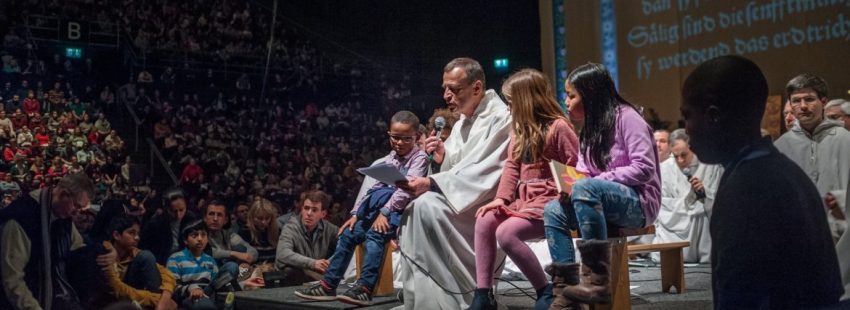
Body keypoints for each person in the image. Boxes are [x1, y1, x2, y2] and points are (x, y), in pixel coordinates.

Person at [681, 55, 842, 308]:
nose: (687, 129)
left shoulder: (747, 187)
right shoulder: (781, 169)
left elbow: (741, 296)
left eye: (688, 116)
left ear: (713, 116)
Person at [394, 57, 512, 309]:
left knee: (425, 206)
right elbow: (457, 167)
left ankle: (455, 299)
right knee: (415, 208)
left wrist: (431, 182)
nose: (447, 95)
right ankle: (424, 300)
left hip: (483, 206)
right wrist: (443, 157)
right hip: (459, 199)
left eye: (454, 89)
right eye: (445, 88)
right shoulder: (461, 123)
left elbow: (486, 172)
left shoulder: (502, 119)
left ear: (477, 88)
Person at [543, 63, 660, 306]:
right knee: (552, 210)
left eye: (571, 95)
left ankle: (597, 280)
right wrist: (568, 188)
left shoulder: (628, 118)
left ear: (590, 95)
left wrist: (592, 183)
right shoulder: (590, 128)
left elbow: (644, 168)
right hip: (598, 201)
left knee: (587, 188)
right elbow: (584, 172)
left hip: (638, 203)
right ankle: (565, 292)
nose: (566, 100)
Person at [468, 69, 579, 310]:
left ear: (526, 101)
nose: (508, 108)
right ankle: (483, 294)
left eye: (511, 102)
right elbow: (511, 167)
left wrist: (567, 194)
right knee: (485, 218)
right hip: (524, 202)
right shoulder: (518, 130)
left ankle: (544, 290)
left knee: (507, 233)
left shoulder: (559, 127)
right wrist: (501, 199)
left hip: (551, 203)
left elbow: (575, 167)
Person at [295, 111, 427, 306]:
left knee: (375, 235)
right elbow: (374, 188)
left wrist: (385, 213)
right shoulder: (390, 158)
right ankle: (328, 284)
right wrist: (356, 214)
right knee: (348, 235)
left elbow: (405, 192)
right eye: (395, 137)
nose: (399, 143)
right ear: (389, 134)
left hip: (397, 212)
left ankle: (365, 288)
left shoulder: (419, 158)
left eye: (406, 139)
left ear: (416, 137)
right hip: (376, 209)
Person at [0, 173, 109, 310]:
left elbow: (79, 249)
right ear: (63, 195)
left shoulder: (61, 214)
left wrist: (108, 255)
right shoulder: (21, 219)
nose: (77, 213)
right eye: (76, 206)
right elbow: (12, 280)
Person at [774, 74, 850, 242]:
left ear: (823, 101)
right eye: (796, 100)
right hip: (794, 238)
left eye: (809, 99)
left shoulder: (845, 140)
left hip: (840, 238)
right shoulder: (779, 147)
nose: (803, 106)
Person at [652, 129, 722, 264]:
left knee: (701, 212)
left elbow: (721, 197)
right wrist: (688, 201)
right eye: (676, 156)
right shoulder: (664, 169)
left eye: (684, 155)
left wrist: (704, 193)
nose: (680, 160)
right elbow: (662, 204)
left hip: (704, 218)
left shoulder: (710, 165)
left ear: (692, 148)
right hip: (675, 221)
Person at [101, 214, 177, 309]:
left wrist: (164, 300)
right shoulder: (105, 253)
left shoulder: (133, 251)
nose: (137, 238)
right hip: (110, 302)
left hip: (136, 299)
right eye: (131, 233)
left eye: (137, 234)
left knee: (146, 256)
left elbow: (167, 275)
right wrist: (156, 299)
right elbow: (117, 289)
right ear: (116, 235)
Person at [275, 190, 339, 286]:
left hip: (317, 275)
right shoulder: (291, 227)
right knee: (291, 270)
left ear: (323, 214)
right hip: (294, 277)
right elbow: (282, 254)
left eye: (314, 210)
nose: (309, 213)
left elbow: (346, 244)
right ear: (301, 209)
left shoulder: (330, 229)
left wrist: (329, 262)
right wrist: (313, 263)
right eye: (306, 208)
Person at [166, 220, 217, 310]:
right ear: (185, 240)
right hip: (188, 297)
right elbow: (173, 287)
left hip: (208, 294)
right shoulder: (175, 258)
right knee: (204, 305)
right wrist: (192, 289)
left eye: (203, 235)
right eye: (194, 235)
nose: (200, 239)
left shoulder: (210, 260)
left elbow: (215, 282)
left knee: (231, 267)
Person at [139, 188, 197, 264]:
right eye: (174, 211)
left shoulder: (191, 218)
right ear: (166, 209)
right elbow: (144, 245)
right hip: (163, 260)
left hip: (186, 258)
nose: (178, 215)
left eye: (181, 210)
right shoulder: (156, 222)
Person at [202, 201, 257, 280]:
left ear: (225, 220)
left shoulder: (228, 234)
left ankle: (241, 279)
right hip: (208, 270)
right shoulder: (199, 233)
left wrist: (246, 260)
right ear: (205, 218)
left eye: (219, 215)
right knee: (232, 265)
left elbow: (253, 250)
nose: (215, 219)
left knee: (240, 248)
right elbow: (208, 252)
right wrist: (233, 254)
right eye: (211, 214)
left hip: (226, 268)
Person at [237, 198, 279, 264]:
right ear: (252, 217)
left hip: (275, 271)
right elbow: (242, 263)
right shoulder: (244, 233)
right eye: (260, 218)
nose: (264, 222)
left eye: (267, 218)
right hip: (253, 271)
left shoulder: (278, 232)